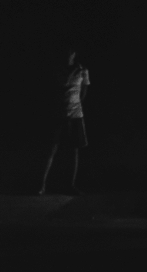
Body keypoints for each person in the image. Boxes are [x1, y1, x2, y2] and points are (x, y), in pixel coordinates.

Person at [38, 46, 90, 195]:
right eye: (65, 52)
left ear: (75, 54)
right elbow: (50, 90)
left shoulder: (83, 70)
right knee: (51, 149)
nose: (68, 55)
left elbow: (84, 92)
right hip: (57, 114)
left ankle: (70, 185)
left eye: (71, 52)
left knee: (74, 151)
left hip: (75, 114)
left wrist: (74, 106)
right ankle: (41, 185)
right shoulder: (56, 70)